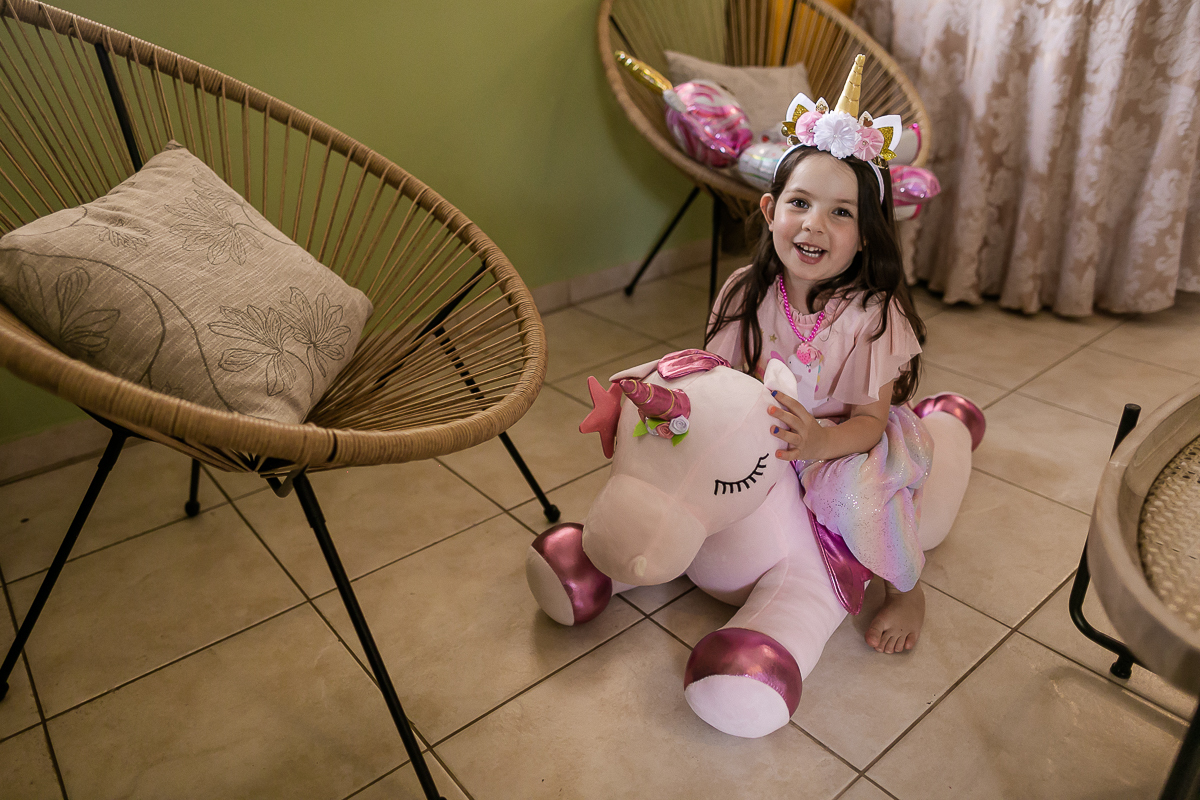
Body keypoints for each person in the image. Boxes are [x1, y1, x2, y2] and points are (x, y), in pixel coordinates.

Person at [705, 56, 981, 655]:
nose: (814, 225)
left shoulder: (872, 316)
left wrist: (820, 445)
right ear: (769, 210)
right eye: (799, 204)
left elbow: (868, 420)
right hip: (765, 431)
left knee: (851, 495)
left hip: (844, 441)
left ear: (865, 233)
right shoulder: (742, 291)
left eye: (841, 212)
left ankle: (902, 585)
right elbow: (718, 379)